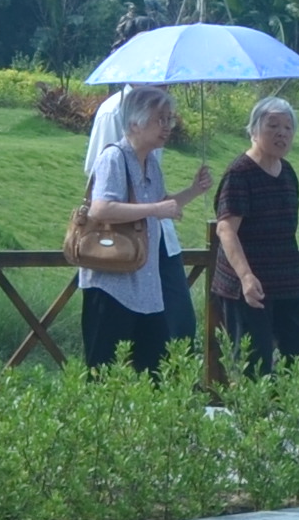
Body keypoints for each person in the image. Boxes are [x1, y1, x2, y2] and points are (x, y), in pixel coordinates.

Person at [75, 85, 207, 376]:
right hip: (111, 282)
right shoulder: (114, 158)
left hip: (146, 285)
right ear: (135, 123)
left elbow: (161, 203)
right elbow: (100, 209)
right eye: (160, 119)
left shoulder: (151, 163)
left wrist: (194, 190)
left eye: (169, 119)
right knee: (104, 371)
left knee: (155, 370)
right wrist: (155, 210)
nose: (167, 126)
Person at [211, 95, 299, 375]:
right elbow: (226, 229)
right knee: (252, 359)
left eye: (288, 127)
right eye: (273, 126)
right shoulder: (239, 173)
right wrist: (246, 276)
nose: (282, 133)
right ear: (254, 130)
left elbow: (284, 229)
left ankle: (278, 396)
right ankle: (255, 402)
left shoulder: (287, 172)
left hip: (284, 277)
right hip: (247, 283)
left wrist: (294, 268)